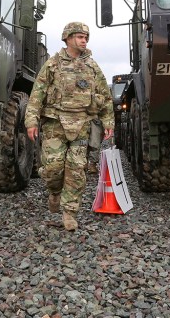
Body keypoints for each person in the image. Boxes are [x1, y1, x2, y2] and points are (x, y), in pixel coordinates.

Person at [25, 22, 115, 230]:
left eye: (86, 37)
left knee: (76, 170)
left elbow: (105, 96)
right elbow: (37, 94)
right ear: (67, 38)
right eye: (80, 37)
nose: (84, 40)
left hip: (81, 124)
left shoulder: (93, 67)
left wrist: (108, 121)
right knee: (53, 168)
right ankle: (54, 193)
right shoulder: (52, 64)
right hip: (55, 124)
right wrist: (31, 121)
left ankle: (70, 213)